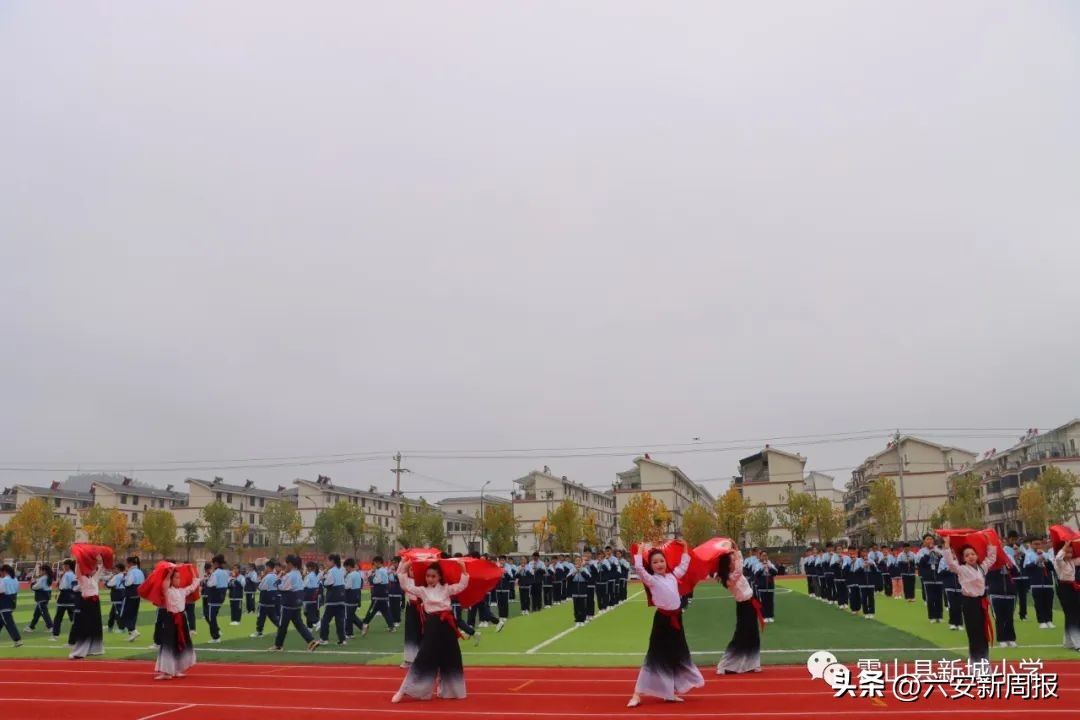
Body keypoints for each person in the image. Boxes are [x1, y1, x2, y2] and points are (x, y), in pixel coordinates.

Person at [626, 539, 702, 708]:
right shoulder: (652, 580)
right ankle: (637, 694)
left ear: (666, 562)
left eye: (661, 561)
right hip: (662, 621)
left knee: (675, 655)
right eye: (655, 562)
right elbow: (639, 569)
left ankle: (669, 693)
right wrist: (639, 552)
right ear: (651, 566)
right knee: (654, 657)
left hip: (676, 620)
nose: (659, 564)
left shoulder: (673, 576)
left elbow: (684, 565)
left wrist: (685, 547)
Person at [392, 558, 470, 703]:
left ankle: (451, 691)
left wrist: (463, 569)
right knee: (424, 656)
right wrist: (405, 567)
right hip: (432, 625)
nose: (430, 579)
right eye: (428, 576)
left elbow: (461, 586)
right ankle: (405, 690)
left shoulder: (446, 588)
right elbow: (405, 585)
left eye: (433, 576)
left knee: (451, 656)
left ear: (439, 577)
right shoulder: (422, 590)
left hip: (447, 625)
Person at [942, 537, 996, 663]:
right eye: (967, 555)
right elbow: (950, 562)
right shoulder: (962, 569)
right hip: (969, 603)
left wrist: (989, 543)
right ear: (963, 558)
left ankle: (984, 661)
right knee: (974, 633)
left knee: (983, 633)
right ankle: (975, 662)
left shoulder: (982, 568)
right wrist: (947, 546)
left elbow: (991, 558)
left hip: (981, 603)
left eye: (972, 554)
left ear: (977, 555)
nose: (970, 557)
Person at [716, 545, 762, 675]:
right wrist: (736, 552)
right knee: (741, 636)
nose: (734, 562)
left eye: (733, 560)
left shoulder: (733, 575)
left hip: (751, 602)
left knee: (753, 634)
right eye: (731, 561)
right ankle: (725, 665)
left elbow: (738, 567)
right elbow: (739, 569)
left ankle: (752, 664)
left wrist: (735, 550)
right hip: (744, 606)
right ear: (726, 565)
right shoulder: (728, 579)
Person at [154, 565, 201, 680]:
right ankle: (166, 672)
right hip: (170, 619)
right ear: (171, 579)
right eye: (176, 578)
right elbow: (165, 584)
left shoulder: (182, 591)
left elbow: (194, 585)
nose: (178, 580)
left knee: (181, 643)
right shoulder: (167, 591)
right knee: (168, 644)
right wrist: (169, 574)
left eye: (179, 578)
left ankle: (177, 669)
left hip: (182, 620)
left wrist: (192, 571)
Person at [271, 555, 319, 652]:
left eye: (286, 563)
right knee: (299, 624)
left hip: (288, 603)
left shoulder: (290, 575)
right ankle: (311, 641)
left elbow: (280, 587)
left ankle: (278, 645)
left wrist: (280, 577)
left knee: (282, 625)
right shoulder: (298, 574)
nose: (286, 566)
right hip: (297, 603)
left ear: (290, 564)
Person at [69, 554, 105, 659]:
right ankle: (79, 652)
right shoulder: (82, 578)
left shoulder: (94, 578)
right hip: (86, 603)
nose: (93, 569)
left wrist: (102, 558)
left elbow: (101, 568)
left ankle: (94, 649)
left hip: (95, 604)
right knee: (85, 626)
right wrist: (78, 561)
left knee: (95, 626)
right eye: (91, 568)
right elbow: (77, 572)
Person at [1054, 541, 1080, 650]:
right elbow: (1058, 558)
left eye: (1071, 550)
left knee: (1073, 614)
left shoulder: (1071, 562)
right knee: (1071, 615)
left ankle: (1068, 642)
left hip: (1073, 588)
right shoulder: (1059, 562)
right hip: (1064, 588)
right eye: (1068, 550)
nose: (1070, 552)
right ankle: (1077, 643)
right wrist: (1065, 546)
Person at [1024, 540, 1056, 629]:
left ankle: (1049, 620)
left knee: (1048, 603)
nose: (1037, 546)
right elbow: (1026, 568)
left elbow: (1052, 567)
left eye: (1039, 544)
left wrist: (1046, 560)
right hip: (1036, 583)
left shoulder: (1046, 554)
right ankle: (1042, 621)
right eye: (1035, 544)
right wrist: (1036, 561)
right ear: (1031, 545)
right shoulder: (1029, 555)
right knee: (1039, 603)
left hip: (1048, 583)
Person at [986, 557, 1017, 648]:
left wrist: (1010, 566)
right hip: (996, 594)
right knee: (999, 617)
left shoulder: (1009, 559)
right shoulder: (990, 562)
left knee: (1009, 617)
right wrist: (998, 566)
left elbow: (1017, 573)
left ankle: (1011, 638)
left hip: (1010, 594)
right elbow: (988, 576)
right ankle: (1001, 639)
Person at [362, 555, 395, 635]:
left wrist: (371, 578)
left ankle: (365, 624)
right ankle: (391, 626)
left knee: (371, 610)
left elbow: (377, 581)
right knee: (386, 611)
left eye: (374, 563)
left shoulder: (379, 571)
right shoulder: (384, 570)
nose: (374, 565)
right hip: (384, 594)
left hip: (378, 594)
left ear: (378, 562)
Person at [250, 561, 280, 638]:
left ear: (268, 567)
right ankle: (281, 628)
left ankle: (259, 632)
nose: (265, 569)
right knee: (272, 615)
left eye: (266, 567)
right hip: (273, 597)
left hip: (265, 597)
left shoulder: (268, 576)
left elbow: (261, 587)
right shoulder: (275, 576)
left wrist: (260, 579)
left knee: (261, 615)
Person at [205, 555, 228, 644]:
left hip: (214, 597)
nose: (212, 565)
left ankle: (215, 637)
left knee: (211, 617)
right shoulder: (225, 572)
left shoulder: (215, 573)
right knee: (212, 616)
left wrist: (206, 581)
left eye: (213, 563)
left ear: (216, 563)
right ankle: (217, 631)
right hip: (221, 597)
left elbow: (211, 584)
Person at [25, 564, 55, 634]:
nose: (39, 571)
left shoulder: (43, 578)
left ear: (44, 571)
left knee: (44, 613)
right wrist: (34, 581)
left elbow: (36, 587)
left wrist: (32, 583)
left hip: (41, 597)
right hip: (45, 597)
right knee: (37, 614)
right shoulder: (47, 577)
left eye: (40, 570)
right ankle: (31, 627)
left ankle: (51, 627)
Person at [52, 559, 77, 642]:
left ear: (67, 566)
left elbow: (63, 586)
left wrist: (58, 590)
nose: (63, 567)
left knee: (58, 618)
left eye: (64, 565)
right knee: (73, 618)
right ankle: (79, 634)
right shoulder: (73, 574)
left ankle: (55, 635)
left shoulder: (66, 574)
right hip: (72, 597)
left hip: (64, 597)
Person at [122, 556, 144, 641]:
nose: (125, 564)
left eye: (126, 562)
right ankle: (132, 634)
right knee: (133, 615)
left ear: (130, 563)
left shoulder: (131, 572)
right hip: (137, 595)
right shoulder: (140, 571)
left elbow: (128, 583)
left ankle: (133, 631)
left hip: (130, 595)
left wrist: (124, 578)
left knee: (126, 615)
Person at [0, 564, 23, 647]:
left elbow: (1, 591)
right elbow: (17, 590)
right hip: (12, 602)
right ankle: (17, 640)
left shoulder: (3, 580)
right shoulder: (15, 579)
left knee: (9, 623)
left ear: (4, 571)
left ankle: (17, 640)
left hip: (3, 603)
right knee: (2, 621)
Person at [939, 554, 963, 631]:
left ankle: (959, 623)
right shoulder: (943, 559)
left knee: (959, 605)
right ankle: (952, 623)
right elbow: (940, 572)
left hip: (960, 585)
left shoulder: (961, 558)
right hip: (949, 585)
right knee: (952, 605)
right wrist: (948, 569)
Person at [342, 558, 364, 638]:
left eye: (346, 567)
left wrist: (343, 583)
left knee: (348, 616)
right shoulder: (357, 574)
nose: (346, 569)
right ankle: (362, 626)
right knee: (351, 615)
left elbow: (347, 586)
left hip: (350, 596)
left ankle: (349, 633)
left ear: (348, 566)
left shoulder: (350, 575)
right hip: (356, 595)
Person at [753, 551, 777, 623]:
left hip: (770, 586)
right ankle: (764, 616)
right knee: (763, 602)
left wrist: (769, 567)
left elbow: (775, 573)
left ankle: (770, 616)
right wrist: (762, 568)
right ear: (760, 557)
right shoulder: (757, 565)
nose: (765, 557)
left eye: (766, 555)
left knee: (770, 602)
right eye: (763, 556)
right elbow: (756, 575)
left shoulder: (771, 564)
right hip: (762, 586)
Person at [568, 556, 590, 627]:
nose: (578, 562)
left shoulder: (584, 569)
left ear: (581, 562)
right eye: (576, 561)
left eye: (579, 560)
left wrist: (581, 571)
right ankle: (577, 620)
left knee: (583, 606)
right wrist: (574, 573)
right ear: (575, 562)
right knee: (576, 606)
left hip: (582, 589)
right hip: (575, 590)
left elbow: (588, 577)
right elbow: (568, 579)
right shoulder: (572, 569)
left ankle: (582, 620)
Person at [302, 562, 321, 629]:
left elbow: (304, 585)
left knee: (307, 611)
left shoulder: (309, 575)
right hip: (314, 593)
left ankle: (317, 622)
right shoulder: (315, 575)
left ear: (309, 568)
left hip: (308, 593)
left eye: (306, 567)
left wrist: (303, 576)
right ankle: (310, 627)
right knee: (310, 610)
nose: (305, 569)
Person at [388, 558, 404, 627]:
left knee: (397, 607)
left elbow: (399, 579)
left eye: (395, 562)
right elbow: (389, 578)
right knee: (391, 607)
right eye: (393, 562)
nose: (394, 564)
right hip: (391, 591)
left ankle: (397, 620)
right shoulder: (391, 570)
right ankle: (392, 621)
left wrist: (394, 572)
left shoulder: (401, 570)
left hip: (397, 591)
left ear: (398, 563)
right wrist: (389, 572)